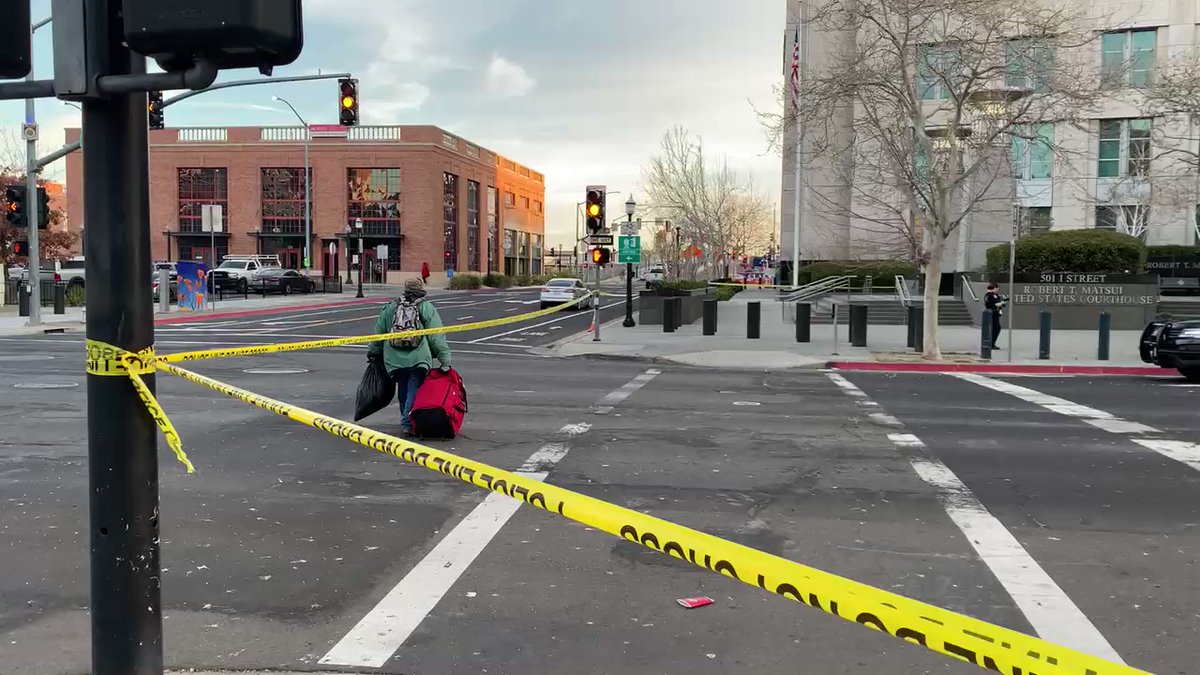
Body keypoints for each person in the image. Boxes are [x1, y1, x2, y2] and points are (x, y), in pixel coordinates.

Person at [367, 278, 452, 436]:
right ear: (421, 289)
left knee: (403, 387)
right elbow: (436, 337)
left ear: (405, 289)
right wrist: (445, 360)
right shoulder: (426, 307)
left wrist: (373, 352)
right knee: (414, 386)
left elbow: (379, 332)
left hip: (393, 358)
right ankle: (407, 421)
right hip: (418, 358)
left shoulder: (391, 307)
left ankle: (405, 419)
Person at [984, 282, 1006, 350]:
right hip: (992, 312)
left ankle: (992, 343)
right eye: (997, 289)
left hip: (995, 312)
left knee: (996, 328)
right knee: (995, 328)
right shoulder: (990, 295)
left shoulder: (994, 295)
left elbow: (998, 303)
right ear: (994, 288)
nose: (998, 290)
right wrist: (1001, 303)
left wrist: (1002, 303)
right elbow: (994, 304)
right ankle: (991, 344)